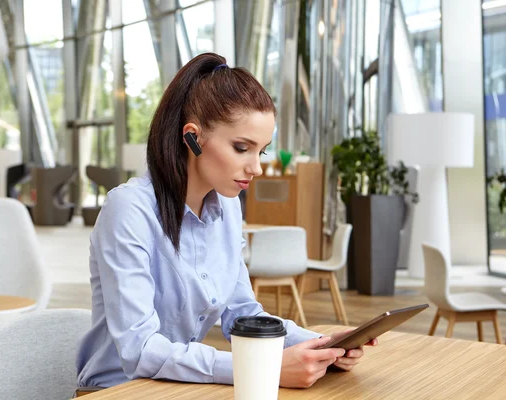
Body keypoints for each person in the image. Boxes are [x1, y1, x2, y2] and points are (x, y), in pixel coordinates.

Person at [76, 52, 376, 392]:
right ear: (193, 137)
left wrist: (320, 344)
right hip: (118, 391)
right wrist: (259, 369)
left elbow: (243, 315)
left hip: (179, 386)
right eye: (241, 147)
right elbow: (140, 350)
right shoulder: (129, 210)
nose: (256, 168)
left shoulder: (228, 210)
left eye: (260, 151)